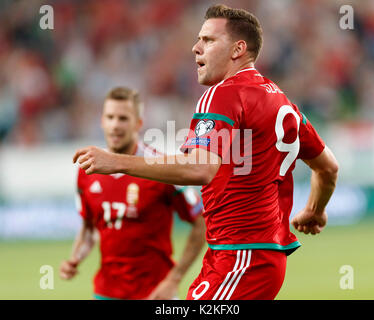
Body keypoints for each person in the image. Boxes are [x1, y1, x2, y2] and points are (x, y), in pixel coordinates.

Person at [73, 4, 339, 300]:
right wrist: (314, 210)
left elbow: (198, 169)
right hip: (249, 257)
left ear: (238, 49)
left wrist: (117, 161)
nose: (195, 48)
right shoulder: (281, 102)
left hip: (241, 255)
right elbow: (328, 168)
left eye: (209, 40)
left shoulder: (223, 94)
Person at [60, 87, 206, 300]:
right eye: (110, 117)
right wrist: (75, 258)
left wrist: (173, 280)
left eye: (123, 118)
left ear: (138, 123)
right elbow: (90, 227)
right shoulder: (87, 170)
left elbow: (201, 223)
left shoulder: (160, 168)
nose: (115, 125)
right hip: (105, 293)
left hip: (154, 294)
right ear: (102, 121)